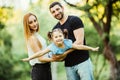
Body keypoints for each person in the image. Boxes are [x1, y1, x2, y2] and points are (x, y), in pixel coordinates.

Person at [49, 1, 95, 80]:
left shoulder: (74, 20)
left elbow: (79, 42)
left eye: (57, 9)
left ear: (62, 8)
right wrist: (55, 56)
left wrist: (64, 53)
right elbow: (58, 48)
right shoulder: (55, 29)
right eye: (53, 12)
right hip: (69, 66)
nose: (56, 12)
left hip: (83, 62)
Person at [22, 28, 99, 62]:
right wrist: (29, 58)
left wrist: (92, 49)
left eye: (60, 36)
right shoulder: (52, 47)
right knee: (58, 57)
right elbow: (40, 53)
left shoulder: (67, 43)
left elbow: (79, 47)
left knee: (63, 57)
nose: (58, 38)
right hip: (53, 56)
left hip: (62, 56)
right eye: (56, 37)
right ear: (52, 39)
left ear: (63, 36)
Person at [23, 13, 52, 80]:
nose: (34, 24)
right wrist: (56, 59)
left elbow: (44, 52)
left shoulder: (36, 35)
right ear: (27, 25)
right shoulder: (32, 38)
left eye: (35, 20)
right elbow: (41, 58)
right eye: (30, 22)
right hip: (40, 70)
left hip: (45, 68)